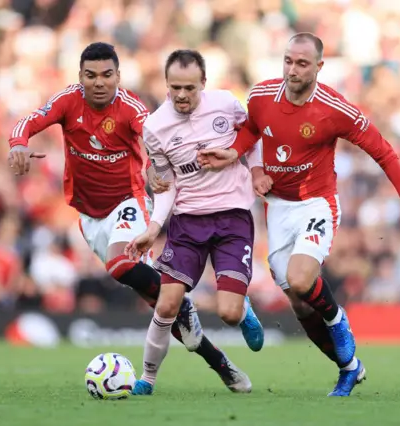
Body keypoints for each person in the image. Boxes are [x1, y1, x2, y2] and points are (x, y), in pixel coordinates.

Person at [197, 33, 400, 397]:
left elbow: (383, 151)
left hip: (316, 203)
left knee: (300, 279)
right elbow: (252, 131)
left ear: (319, 67)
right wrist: (242, 160)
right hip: (277, 208)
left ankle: (338, 321)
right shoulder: (261, 96)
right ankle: (349, 367)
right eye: (288, 61)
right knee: (298, 301)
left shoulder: (334, 109)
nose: (292, 70)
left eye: (302, 64)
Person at [7, 42, 252, 393]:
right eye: (91, 76)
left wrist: (153, 167)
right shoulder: (68, 101)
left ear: (118, 77)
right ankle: (221, 364)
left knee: (120, 264)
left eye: (107, 75)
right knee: (165, 311)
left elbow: (152, 138)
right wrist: (17, 142)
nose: (99, 82)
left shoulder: (131, 108)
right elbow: (32, 120)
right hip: (90, 219)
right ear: (80, 77)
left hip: (129, 203)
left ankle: (182, 304)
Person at [124, 49, 265, 396]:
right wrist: (155, 227)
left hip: (232, 216)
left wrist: (258, 170)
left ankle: (242, 308)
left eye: (189, 87)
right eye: (175, 87)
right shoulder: (155, 128)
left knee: (229, 314)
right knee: (167, 304)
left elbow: (255, 135)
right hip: (187, 222)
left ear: (203, 83)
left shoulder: (225, 104)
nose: (182, 95)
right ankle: (148, 378)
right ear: (166, 85)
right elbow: (166, 183)